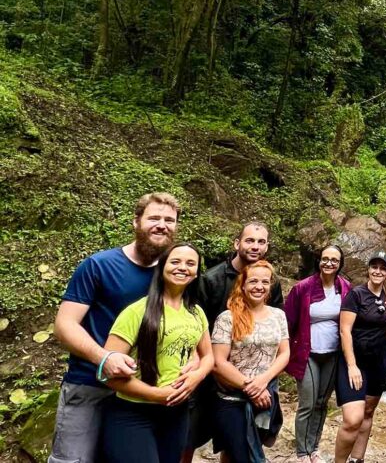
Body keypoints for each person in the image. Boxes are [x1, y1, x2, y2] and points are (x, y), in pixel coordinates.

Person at [50, 191, 183, 463]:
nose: (162, 225)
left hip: (141, 394)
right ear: (136, 222)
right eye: (154, 218)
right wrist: (104, 358)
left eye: (169, 220)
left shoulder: (174, 275)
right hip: (91, 384)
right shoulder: (99, 266)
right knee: (73, 459)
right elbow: (64, 324)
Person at [99, 243, 215, 463]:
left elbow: (208, 356)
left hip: (177, 413)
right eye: (175, 261)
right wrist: (155, 395)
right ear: (161, 267)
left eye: (191, 263)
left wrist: (195, 377)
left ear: (197, 272)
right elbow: (106, 374)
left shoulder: (196, 312)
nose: (183, 267)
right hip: (133, 412)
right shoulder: (136, 312)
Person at [184, 221, 285, 461]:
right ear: (237, 243)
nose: (255, 246)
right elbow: (195, 325)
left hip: (254, 378)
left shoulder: (272, 281)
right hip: (209, 370)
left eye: (261, 242)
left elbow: (277, 332)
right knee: (188, 437)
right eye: (250, 240)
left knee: (236, 445)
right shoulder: (212, 279)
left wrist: (261, 381)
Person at [210, 260, 290, 463]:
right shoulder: (227, 318)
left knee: (238, 452)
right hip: (232, 398)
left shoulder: (278, 316)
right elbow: (218, 362)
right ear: (242, 285)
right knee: (240, 454)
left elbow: (284, 353)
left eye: (265, 282)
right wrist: (251, 387)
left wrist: (263, 381)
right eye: (253, 281)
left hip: (265, 395)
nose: (259, 286)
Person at [285, 243, 352, 463]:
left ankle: (314, 447)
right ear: (319, 261)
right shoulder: (302, 288)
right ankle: (302, 452)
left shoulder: (344, 288)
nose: (329, 263)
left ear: (340, 264)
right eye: (325, 259)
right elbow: (288, 322)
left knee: (322, 402)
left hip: (333, 354)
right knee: (308, 403)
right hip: (308, 353)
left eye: (334, 260)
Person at [334, 251, 386, 463]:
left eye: (383, 268)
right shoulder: (356, 295)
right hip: (354, 362)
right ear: (368, 269)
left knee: (368, 412)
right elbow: (345, 331)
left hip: (378, 363)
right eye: (374, 267)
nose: (378, 271)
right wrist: (351, 365)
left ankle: (357, 458)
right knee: (353, 419)